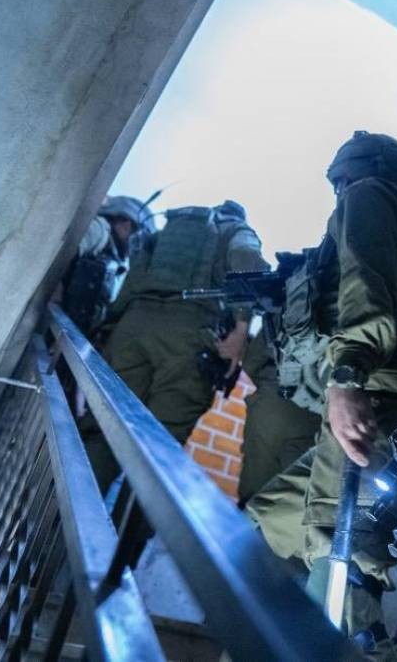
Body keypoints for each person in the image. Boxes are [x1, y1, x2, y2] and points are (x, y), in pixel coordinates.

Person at [245, 131, 397, 650]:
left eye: (340, 182)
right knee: (268, 522)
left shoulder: (370, 194)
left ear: (354, 173)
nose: (339, 193)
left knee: (342, 549)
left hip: (377, 389)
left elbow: (366, 284)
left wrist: (348, 375)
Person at [84, 199, 268, 493]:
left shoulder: (168, 231)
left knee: (104, 429)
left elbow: (132, 280)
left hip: (133, 328)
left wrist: (110, 327)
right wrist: (242, 328)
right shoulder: (237, 230)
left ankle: (62, 520)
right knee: (160, 449)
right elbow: (247, 259)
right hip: (189, 337)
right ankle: (128, 524)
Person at [236, 331, 321, 506]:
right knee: (293, 504)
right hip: (322, 414)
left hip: (279, 395)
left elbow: (253, 360)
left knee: (254, 500)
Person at [59, 194, 151, 337]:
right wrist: (54, 289)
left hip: (71, 329)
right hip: (54, 318)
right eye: (136, 232)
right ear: (126, 223)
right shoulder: (101, 229)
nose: (136, 242)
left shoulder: (118, 261)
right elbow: (62, 252)